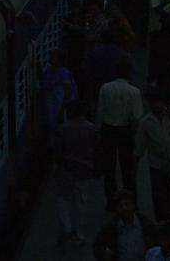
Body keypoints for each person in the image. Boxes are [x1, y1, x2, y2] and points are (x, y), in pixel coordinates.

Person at [135, 89, 170, 223]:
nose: (156, 105)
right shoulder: (146, 122)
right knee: (159, 197)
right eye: (153, 102)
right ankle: (162, 223)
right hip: (157, 166)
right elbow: (139, 147)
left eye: (158, 102)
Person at [94, 57, 142, 205]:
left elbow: (100, 112)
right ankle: (130, 200)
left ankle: (111, 200)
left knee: (109, 168)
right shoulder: (134, 91)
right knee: (127, 169)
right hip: (125, 131)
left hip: (108, 130)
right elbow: (137, 116)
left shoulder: (105, 88)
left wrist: (97, 132)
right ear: (129, 74)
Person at [53, 100, 98, 248]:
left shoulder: (62, 129)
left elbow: (57, 152)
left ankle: (66, 229)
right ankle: (78, 234)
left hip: (66, 170)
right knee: (81, 203)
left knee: (63, 200)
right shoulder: (91, 128)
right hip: (84, 171)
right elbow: (97, 150)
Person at [92, 189, 156, 261]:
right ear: (116, 209)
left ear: (133, 205)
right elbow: (97, 247)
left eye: (127, 204)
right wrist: (104, 254)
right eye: (121, 206)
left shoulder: (147, 225)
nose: (124, 208)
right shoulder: (109, 228)